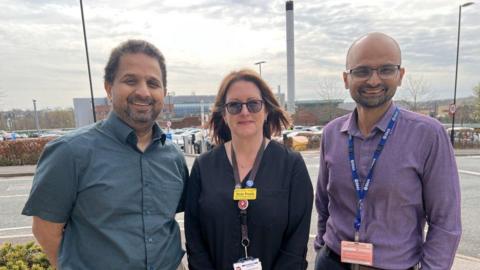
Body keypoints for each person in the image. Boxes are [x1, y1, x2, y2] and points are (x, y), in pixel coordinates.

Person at [22, 40, 188, 270]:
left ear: (164, 93)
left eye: (153, 83)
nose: (143, 91)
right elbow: (45, 230)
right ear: (109, 88)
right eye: (131, 80)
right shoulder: (69, 152)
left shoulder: (174, 158)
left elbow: (166, 222)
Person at [314, 32, 461, 270]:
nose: (373, 81)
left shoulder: (428, 135)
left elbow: (445, 221)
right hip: (332, 262)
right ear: (345, 78)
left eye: (385, 69)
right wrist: (321, 247)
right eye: (362, 71)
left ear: (400, 75)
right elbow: (323, 202)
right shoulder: (332, 133)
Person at [185, 69, 313, 270]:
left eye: (253, 104)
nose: (244, 112)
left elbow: (296, 244)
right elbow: (194, 237)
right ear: (225, 115)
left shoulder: (291, 165)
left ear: (266, 110)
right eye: (234, 105)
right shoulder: (204, 166)